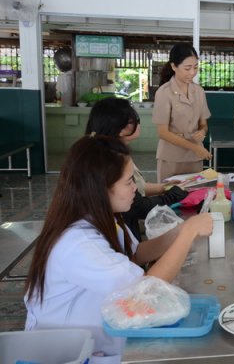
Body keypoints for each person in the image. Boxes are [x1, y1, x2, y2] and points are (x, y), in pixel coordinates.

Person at [24, 135, 214, 364]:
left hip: (97, 338)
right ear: (101, 188)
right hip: (68, 353)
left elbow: (136, 253)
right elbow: (145, 287)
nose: (136, 188)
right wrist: (187, 234)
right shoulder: (78, 244)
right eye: (128, 181)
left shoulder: (102, 219)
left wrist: (179, 230)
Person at [85, 97, 188, 239]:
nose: (139, 125)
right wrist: (174, 195)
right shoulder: (111, 159)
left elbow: (137, 187)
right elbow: (138, 206)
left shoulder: (114, 152)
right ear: (119, 128)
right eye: (134, 122)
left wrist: (163, 187)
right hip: (120, 231)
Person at [152, 43, 212, 182]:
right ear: (174, 66)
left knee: (194, 197)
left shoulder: (199, 91)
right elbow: (163, 132)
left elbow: (203, 123)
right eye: (187, 68)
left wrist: (202, 131)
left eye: (196, 67)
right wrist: (195, 148)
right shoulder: (164, 93)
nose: (192, 72)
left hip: (194, 158)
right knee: (170, 198)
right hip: (171, 157)